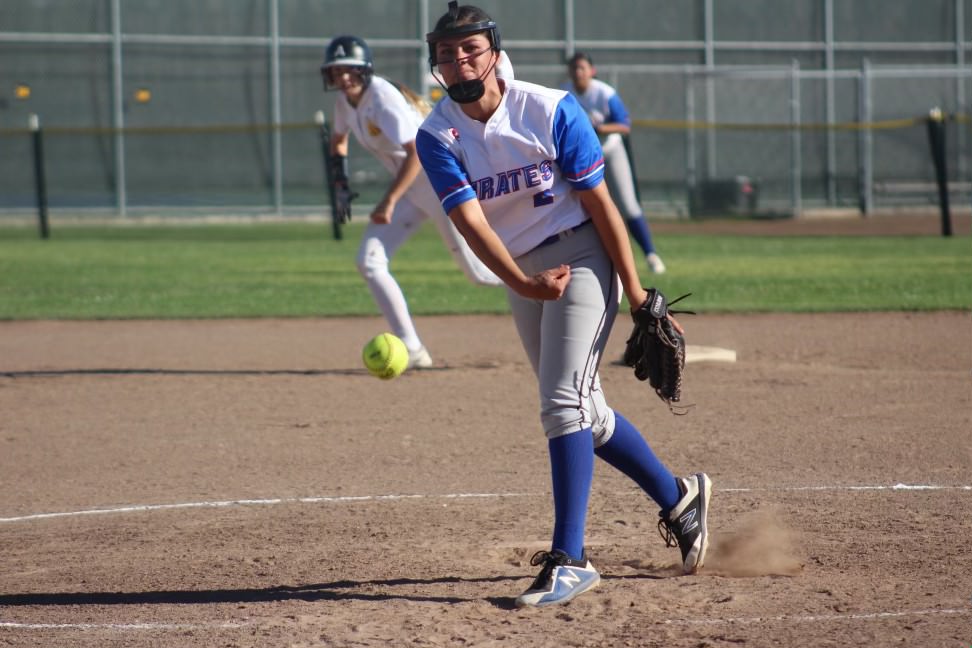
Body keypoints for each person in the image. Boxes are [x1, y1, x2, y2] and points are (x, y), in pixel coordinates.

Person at [416, 2, 711, 608]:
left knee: (561, 402)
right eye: (447, 52)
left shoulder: (549, 109)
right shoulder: (437, 134)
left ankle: (571, 558)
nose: (459, 59)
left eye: (470, 48)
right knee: (586, 410)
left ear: (494, 51)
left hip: (583, 255)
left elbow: (602, 206)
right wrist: (522, 285)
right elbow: (472, 224)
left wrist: (636, 293)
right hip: (522, 269)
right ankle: (680, 499)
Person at [321, 34, 502, 370]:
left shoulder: (382, 98)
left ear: (364, 70)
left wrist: (388, 201)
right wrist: (340, 180)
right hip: (412, 191)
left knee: (480, 273)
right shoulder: (346, 103)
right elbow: (338, 141)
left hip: (440, 185)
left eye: (349, 69)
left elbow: (416, 152)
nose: (342, 77)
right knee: (369, 261)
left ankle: (545, 285)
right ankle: (412, 347)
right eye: (336, 71)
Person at [562, 52, 666, 274]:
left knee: (628, 205)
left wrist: (600, 128)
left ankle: (651, 255)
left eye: (582, 68)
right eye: (574, 68)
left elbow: (624, 125)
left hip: (610, 151)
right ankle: (594, 259)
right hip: (582, 157)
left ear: (592, 71)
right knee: (584, 208)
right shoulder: (566, 93)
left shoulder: (604, 93)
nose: (578, 72)